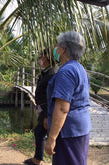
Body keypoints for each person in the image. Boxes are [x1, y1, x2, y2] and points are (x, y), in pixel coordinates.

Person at [45, 31, 91, 165]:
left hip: (68, 132)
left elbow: (62, 108)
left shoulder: (66, 72)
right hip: (81, 128)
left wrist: (52, 138)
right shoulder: (79, 69)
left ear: (63, 49)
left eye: (57, 46)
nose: (55, 49)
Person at [24, 48, 58, 165]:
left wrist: (47, 115)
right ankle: (37, 159)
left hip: (48, 108)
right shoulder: (46, 71)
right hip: (42, 107)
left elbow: (52, 96)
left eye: (41, 56)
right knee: (39, 132)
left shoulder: (53, 73)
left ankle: (41, 160)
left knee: (47, 134)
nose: (40, 59)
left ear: (47, 57)